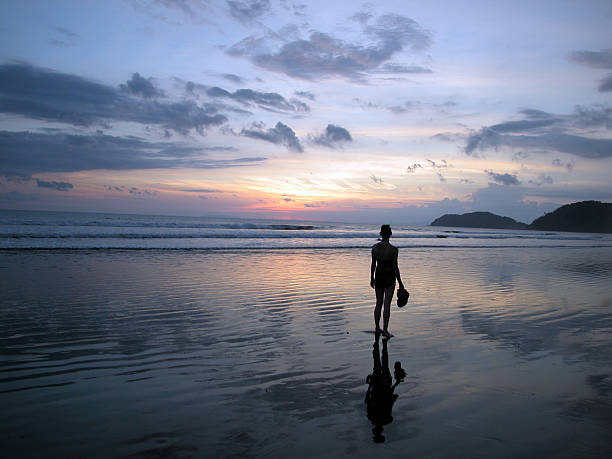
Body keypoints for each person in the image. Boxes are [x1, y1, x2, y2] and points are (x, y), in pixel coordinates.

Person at [370, 224, 404, 339]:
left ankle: (376, 328)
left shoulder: (375, 247)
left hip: (379, 275)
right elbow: (395, 267)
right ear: (390, 234)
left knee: (378, 303)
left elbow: (373, 265)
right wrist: (401, 282)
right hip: (389, 277)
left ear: (381, 234)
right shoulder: (394, 250)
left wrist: (371, 278)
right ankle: (385, 330)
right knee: (387, 304)